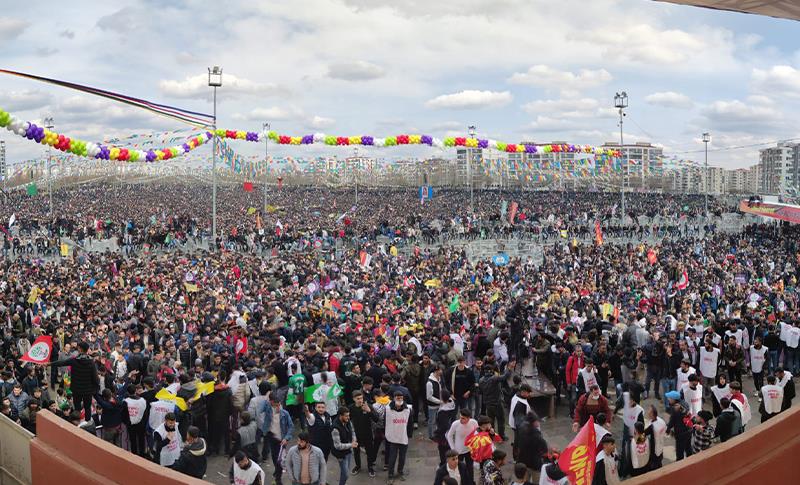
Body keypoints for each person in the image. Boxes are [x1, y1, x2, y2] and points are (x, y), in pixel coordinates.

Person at [48, 341, 99, 420]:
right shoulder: (91, 362)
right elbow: (95, 378)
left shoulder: (74, 361)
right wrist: (95, 389)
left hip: (76, 390)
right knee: (87, 408)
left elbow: (61, 362)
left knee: (77, 408)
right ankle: (87, 423)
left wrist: (49, 364)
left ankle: (77, 422)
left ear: (80, 349)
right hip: (88, 391)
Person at [261, 394, 293, 485]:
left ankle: (278, 478)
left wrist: (286, 438)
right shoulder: (268, 411)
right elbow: (261, 408)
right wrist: (266, 397)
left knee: (280, 459)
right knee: (275, 458)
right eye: (276, 405)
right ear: (271, 403)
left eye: (279, 405)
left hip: (282, 441)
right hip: (272, 438)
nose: (278, 407)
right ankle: (277, 472)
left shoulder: (285, 414)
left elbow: (291, 427)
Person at [349, 390, 378, 477]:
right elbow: (347, 419)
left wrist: (369, 411)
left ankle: (370, 467)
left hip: (368, 433)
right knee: (356, 451)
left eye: (361, 398)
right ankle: (358, 466)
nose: (360, 400)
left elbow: (376, 419)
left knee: (369, 452)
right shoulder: (351, 408)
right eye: (358, 398)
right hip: (356, 434)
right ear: (354, 399)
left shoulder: (368, 406)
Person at [385, 391, 412, 483]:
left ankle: (400, 471)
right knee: (392, 457)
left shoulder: (408, 409)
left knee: (402, 457)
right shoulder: (388, 409)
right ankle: (390, 475)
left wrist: (409, 435)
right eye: (397, 397)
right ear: (394, 398)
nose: (399, 399)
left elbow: (410, 423)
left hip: (403, 436)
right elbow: (386, 422)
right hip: (393, 437)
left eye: (401, 397)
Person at [446, 408, 478, 485]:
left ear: (468, 418)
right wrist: (453, 449)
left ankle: (470, 482)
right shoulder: (455, 424)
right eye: (460, 417)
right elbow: (449, 436)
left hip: (469, 450)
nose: (461, 419)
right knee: (459, 469)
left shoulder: (473, 422)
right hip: (458, 451)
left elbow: (477, 433)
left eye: (463, 418)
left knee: (470, 468)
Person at [515, 412, 548, 483]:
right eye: (537, 421)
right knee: (536, 481)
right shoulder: (536, 434)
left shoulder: (521, 428)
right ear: (534, 422)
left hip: (523, 460)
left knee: (525, 480)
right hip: (535, 463)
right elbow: (544, 449)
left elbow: (516, 442)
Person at [331, 408, 358, 485]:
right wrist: (351, 445)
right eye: (346, 416)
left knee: (345, 472)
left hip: (348, 451)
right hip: (340, 454)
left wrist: (354, 439)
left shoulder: (348, 421)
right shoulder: (335, 428)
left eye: (348, 416)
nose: (348, 418)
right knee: (345, 474)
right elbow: (337, 446)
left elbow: (353, 431)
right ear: (340, 416)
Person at [664, 390, 692, 461]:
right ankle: (691, 461)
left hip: (681, 433)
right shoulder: (685, 403)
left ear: (674, 399)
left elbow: (672, 421)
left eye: (669, 398)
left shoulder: (675, 408)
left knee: (679, 452)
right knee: (688, 448)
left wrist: (667, 430)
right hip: (689, 430)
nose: (668, 399)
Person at [122, 384, 148, 457]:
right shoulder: (143, 400)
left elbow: (123, 415)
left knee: (133, 440)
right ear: (136, 391)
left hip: (131, 424)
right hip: (141, 424)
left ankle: (134, 455)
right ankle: (142, 454)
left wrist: (127, 422)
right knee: (141, 439)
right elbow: (145, 414)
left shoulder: (125, 402)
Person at [434, 390, 457, 466]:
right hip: (452, 431)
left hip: (444, 434)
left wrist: (437, 433)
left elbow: (443, 425)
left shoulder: (443, 412)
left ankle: (444, 464)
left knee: (443, 450)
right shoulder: (452, 404)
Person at [645, 404, 666, 470]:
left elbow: (643, 434)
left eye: (649, 411)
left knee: (654, 466)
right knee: (659, 462)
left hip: (654, 449)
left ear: (652, 414)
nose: (647, 412)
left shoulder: (652, 427)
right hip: (660, 446)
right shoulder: (661, 421)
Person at [426, 365, 445, 439]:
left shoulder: (440, 379)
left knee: (438, 420)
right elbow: (429, 397)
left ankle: (437, 433)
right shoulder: (429, 383)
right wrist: (439, 401)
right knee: (431, 421)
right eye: (440, 370)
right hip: (433, 405)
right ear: (436, 371)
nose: (442, 371)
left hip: (440, 404)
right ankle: (431, 436)